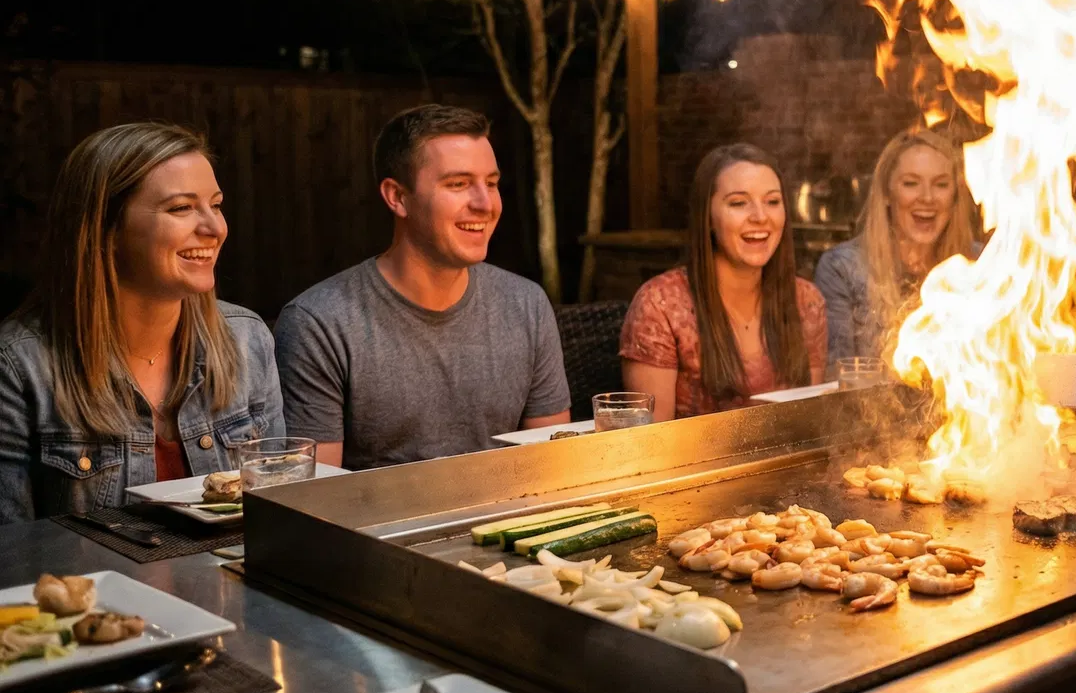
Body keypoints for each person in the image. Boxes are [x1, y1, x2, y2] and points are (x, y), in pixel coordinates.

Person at [0, 123, 284, 521]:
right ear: (106, 229)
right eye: (181, 208)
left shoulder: (246, 338)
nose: (214, 228)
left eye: (216, 205)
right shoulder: (19, 366)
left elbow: (278, 512)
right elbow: (11, 556)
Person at [275, 105, 570, 470]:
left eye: (491, 184)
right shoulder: (319, 323)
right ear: (397, 197)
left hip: (507, 521)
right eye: (458, 184)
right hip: (376, 526)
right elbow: (312, 501)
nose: (484, 204)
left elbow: (553, 468)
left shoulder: (526, 304)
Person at [620, 144, 827, 420]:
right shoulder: (660, 305)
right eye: (738, 203)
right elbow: (652, 442)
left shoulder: (806, 301)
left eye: (773, 201)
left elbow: (810, 421)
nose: (760, 216)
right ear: (707, 217)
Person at [813, 129, 978, 365]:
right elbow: (841, 375)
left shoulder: (980, 264)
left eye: (941, 184)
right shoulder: (842, 269)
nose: (927, 197)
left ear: (954, 197)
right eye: (911, 183)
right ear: (887, 194)